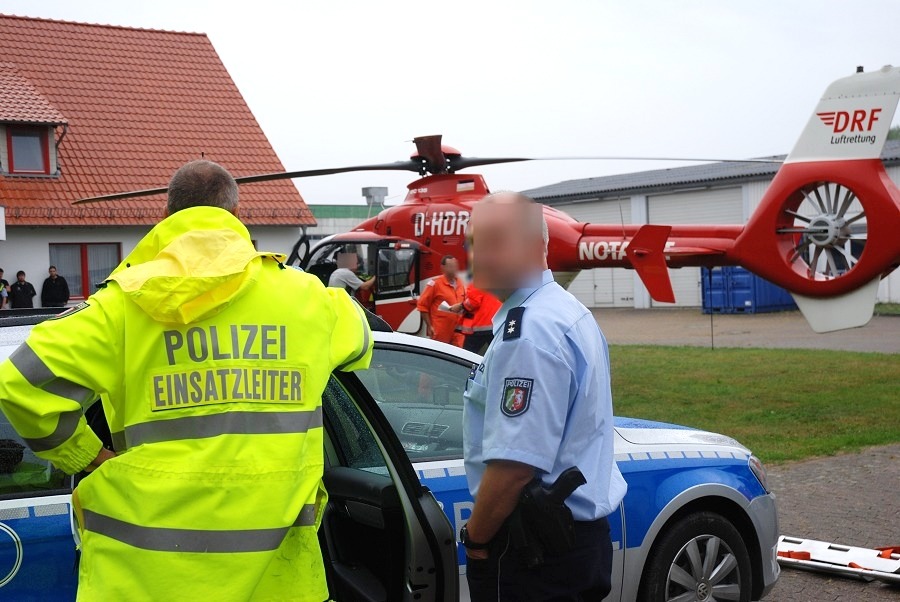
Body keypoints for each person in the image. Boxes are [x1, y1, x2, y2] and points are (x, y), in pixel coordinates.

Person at [0, 160, 373, 601]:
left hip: (147, 581)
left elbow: (19, 383)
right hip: (277, 582)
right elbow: (362, 341)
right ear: (236, 215)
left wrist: (89, 456)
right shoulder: (310, 299)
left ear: (166, 216)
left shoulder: (121, 304)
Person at [460, 192, 627, 601]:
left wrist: (477, 539)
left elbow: (515, 466)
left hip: (534, 552)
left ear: (537, 246)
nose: (480, 256)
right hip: (574, 544)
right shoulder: (566, 311)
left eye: (496, 241)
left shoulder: (529, 332)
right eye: (476, 243)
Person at [416, 255, 465, 346]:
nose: (454, 269)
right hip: (441, 330)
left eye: (455, 266)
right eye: (450, 266)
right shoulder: (435, 284)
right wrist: (429, 326)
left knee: (458, 353)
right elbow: (422, 305)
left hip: (458, 330)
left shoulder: (460, 283)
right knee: (440, 352)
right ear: (443, 268)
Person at [451, 283, 502, 355]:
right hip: (495, 324)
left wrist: (460, 306)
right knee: (496, 354)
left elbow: (473, 302)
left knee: (467, 355)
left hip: (479, 326)